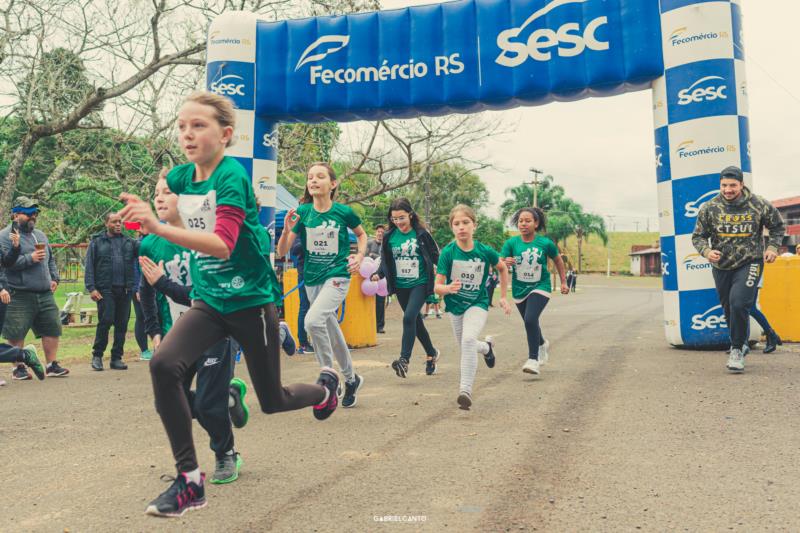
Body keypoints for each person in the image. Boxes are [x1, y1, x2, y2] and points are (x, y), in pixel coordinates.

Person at [119, 91, 337, 517]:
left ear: (226, 135)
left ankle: (324, 389)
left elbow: (221, 244)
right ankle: (189, 481)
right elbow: (180, 213)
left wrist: (159, 226)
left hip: (250, 303)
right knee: (164, 364)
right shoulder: (185, 177)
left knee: (272, 399)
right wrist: (160, 207)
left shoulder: (231, 177)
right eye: (181, 126)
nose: (187, 133)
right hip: (210, 300)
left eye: (198, 125)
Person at [277, 162, 368, 409]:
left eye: (320, 177)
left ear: (333, 183)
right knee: (332, 332)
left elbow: (362, 234)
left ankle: (329, 376)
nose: (313, 181)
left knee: (312, 321)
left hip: (338, 275)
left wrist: (359, 256)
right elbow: (281, 251)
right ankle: (351, 378)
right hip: (313, 279)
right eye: (310, 177)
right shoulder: (303, 213)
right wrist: (286, 231)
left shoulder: (343, 212)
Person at [692, 166, 785, 373]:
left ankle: (736, 349)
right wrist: (706, 251)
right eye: (724, 185)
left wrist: (772, 247)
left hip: (750, 262)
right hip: (721, 265)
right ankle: (742, 342)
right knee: (729, 309)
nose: (728, 190)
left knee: (739, 303)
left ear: (741, 185)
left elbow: (778, 226)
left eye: (732, 185)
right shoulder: (710, 207)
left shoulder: (758, 204)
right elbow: (697, 236)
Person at [435, 204, 510, 410]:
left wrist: (503, 296)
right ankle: (486, 348)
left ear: (474, 225)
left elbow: (502, 268)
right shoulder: (448, 253)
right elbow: (437, 286)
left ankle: (465, 391)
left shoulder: (484, 251)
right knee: (466, 345)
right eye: (456, 224)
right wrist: (448, 288)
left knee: (467, 341)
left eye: (465, 222)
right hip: (455, 306)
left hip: (477, 303)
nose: (461, 227)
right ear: (452, 228)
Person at [0, 197, 69, 378]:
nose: (33, 217)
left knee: (52, 327)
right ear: (16, 214)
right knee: (16, 330)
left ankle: (52, 364)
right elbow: (7, 264)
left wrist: (54, 277)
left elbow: (50, 258)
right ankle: (18, 367)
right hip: (18, 292)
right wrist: (30, 258)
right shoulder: (6, 236)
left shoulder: (40, 235)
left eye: (35, 213)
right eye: (28, 213)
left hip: (44, 292)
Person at [373, 198, 441, 378]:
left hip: (419, 282)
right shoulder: (389, 236)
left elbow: (436, 256)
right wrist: (379, 274)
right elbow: (386, 260)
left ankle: (404, 360)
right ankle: (431, 353)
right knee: (415, 322)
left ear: (410, 214)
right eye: (394, 219)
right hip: (400, 285)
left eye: (402, 218)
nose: (398, 222)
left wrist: (447, 274)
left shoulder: (421, 233)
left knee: (409, 317)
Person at [501, 207, 569, 375]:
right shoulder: (511, 243)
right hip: (519, 289)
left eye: (528, 221)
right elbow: (500, 261)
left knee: (530, 319)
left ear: (536, 223)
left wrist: (563, 282)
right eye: (521, 221)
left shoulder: (545, 243)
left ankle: (533, 360)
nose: (523, 224)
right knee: (530, 321)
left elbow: (558, 261)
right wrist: (505, 261)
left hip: (541, 286)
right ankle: (542, 343)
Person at [84, 212, 139, 371]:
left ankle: (116, 358)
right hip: (105, 289)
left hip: (125, 289)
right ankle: (97, 356)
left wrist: (144, 230)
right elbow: (89, 266)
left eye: (120, 222)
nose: (118, 225)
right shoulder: (97, 242)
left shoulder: (129, 242)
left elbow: (144, 249)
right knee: (106, 321)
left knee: (122, 324)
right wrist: (91, 288)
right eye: (114, 222)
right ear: (106, 223)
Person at [290, 237, 314, 354]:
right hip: (305, 274)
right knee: (305, 307)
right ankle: (303, 344)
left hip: (320, 273)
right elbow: (294, 250)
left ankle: (320, 341)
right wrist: (310, 238)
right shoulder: (300, 228)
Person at [132, 231, 152, 361]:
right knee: (141, 317)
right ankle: (144, 350)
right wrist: (137, 288)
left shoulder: (157, 241)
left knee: (158, 316)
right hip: (140, 286)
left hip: (157, 284)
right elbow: (134, 267)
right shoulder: (137, 244)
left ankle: (160, 347)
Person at [367, 224, 386, 333]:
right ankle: (369, 324)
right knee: (368, 302)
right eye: (378, 231)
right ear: (375, 233)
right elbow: (366, 256)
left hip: (381, 278)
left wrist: (372, 255)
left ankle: (380, 326)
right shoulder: (369, 243)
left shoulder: (386, 245)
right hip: (368, 277)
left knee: (380, 302)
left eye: (382, 232)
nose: (380, 234)